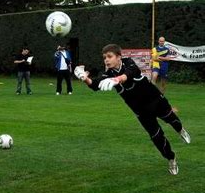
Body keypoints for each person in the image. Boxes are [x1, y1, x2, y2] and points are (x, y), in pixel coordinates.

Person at [74, 44, 190, 175]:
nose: (106, 60)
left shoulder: (129, 63)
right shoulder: (108, 74)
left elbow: (131, 72)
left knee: (172, 119)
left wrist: (117, 79)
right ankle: (171, 158)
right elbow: (95, 85)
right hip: (140, 110)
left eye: (109, 56)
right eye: (104, 57)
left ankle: (181, 131)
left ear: (119, 57)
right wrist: (85, 78)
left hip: (155, 100)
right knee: (157, 137)